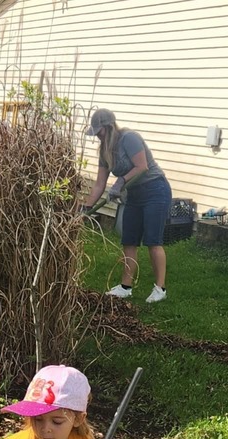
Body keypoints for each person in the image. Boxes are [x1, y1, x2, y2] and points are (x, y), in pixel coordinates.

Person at [84, 108, 172, 303]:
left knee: (152, 241)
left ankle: (160, 288)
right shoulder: (104, 151)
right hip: (133, 195)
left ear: (109, 126)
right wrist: (86, 208)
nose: (98, 135)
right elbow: (99, 183)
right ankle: (125, 287)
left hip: (155, 190)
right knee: (129, 240)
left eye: (100, 131)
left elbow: (142, 167)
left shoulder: (129, 138)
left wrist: (120, 181)